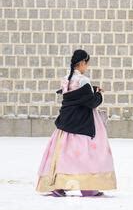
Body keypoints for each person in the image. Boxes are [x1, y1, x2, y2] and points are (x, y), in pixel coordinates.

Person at [36, 49, 117, 196]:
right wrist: (98, 94)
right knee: (86, 154)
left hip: (66, 122)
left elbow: (74, 95)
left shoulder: (66, 79)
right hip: (82, 124)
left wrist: (91, 89)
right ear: (81, 63)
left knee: (63, 155)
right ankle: (88, 188)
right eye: (87, 64)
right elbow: (91, 102)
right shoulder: (84, 80)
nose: (87, 67)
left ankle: (58, 186)